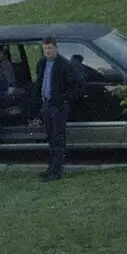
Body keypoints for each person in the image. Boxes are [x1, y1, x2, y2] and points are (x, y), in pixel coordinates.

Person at [34, 37, 82, 181]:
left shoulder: (64, 65)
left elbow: (77, 85)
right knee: (50, 139)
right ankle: (50, 169)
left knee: (58, 139)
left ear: (56, 48)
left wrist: (63, 99)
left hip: (58, 107)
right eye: (45, 49)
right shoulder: (42, 63)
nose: (47, 51)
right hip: (46, 105)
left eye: (50, 48)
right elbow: (39, 81)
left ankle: (56, 172)